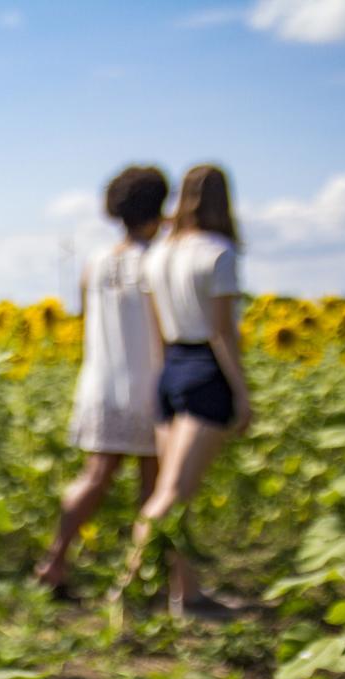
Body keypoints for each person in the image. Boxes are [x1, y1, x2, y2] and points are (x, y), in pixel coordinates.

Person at [36, 165, 168, 597]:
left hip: (101, 383)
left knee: (94, 476)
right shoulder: (160, 260)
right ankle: (142, 577)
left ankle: (54, 561)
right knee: (154, 487)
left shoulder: (96, 262)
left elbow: (87, 319)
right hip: (150, 383)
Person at [131, 163, 251, 618]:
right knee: (172, 495)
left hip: (172, 369)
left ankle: (189, 595)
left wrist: (163, 379)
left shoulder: (159, 253)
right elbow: (223, 333)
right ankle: (125, 590)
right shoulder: (219, 252)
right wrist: (240, 393)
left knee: (171, 490)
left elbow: (157, 326)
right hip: (206, 369)